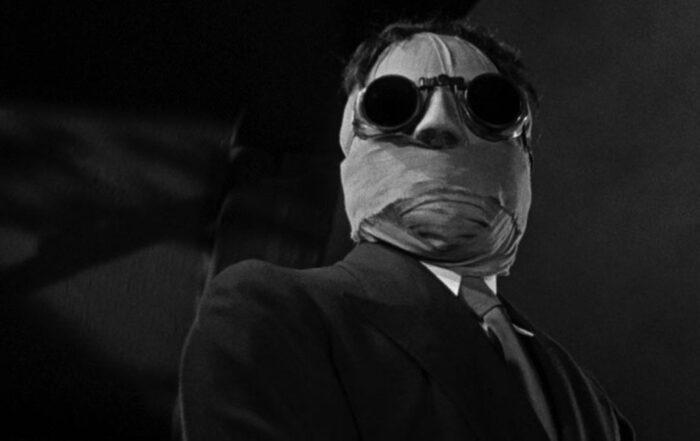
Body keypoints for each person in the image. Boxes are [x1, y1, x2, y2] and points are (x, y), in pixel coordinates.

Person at [177, 17, 634, 441]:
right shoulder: (275, 316)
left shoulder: (587, 400)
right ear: (352, 143)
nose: (437, 125)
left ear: (525, 152)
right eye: (393, 106)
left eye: (487, 106)